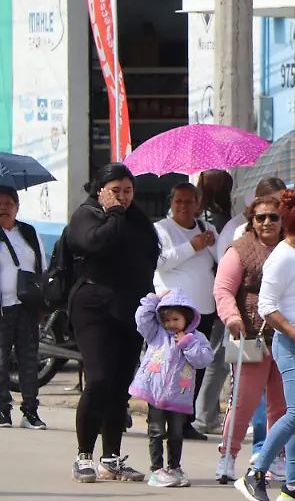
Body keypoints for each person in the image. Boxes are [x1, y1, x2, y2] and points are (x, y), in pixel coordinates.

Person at [234, 190, 295, 501]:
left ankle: (293, 485)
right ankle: (255, 472)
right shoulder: (282, 256)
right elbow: (267, 306)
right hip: (294, 345)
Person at [68, 163, 161, 483]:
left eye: (128, 191)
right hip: (93, 307)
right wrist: (114, 214)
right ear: (100, 190)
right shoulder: (87, 215)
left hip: (130, 309)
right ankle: (83, 456)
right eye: (115, 191)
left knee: (120, 384)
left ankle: (111, 458)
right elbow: (95, 244)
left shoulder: (137, 219)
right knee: (98, 379)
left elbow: (149, 257)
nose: (123, 197)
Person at [213, 195, 289, 483]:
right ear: (252, 221)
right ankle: (228, 457)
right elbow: (223, 290)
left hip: (286, 338)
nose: (267, 222)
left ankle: (275, 459)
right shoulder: (240, 250)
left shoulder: (292, 247)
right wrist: (232, 319)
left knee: (281, 406)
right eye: (261, 218)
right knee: (243, 401)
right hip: (249, 338)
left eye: (273, 217)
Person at [152, 181, 220, 441]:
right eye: (178, 201)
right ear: (171, 202)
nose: (183, 206)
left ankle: (186, 420)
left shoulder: (207, 227)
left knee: (196, 366)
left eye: (189, 201)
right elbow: (160, 263)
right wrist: (193, 245)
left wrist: (209, 243)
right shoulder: (161, 229)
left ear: (197, 204)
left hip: (202, 309)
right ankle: (160, 417)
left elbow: (220, 259)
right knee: (169, 366)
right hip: (173, 311)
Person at [129, 289, 215, 488]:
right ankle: (157, 469)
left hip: (180, 396)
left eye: (175, 319)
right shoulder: (156, 334)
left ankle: (174, 467)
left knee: (176, 433)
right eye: (167, 320)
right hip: (155, 393)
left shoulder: (197, 337)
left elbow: (204, 360)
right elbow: (141, 318)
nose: (170, 324)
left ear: (187, 317)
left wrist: (188, 344)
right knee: (156, 431)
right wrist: (153, 299)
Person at [0, 185, 48, 429]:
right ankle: (2, 410)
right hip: (2, 308)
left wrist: (42, 303)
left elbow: (41, 266)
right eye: (0, 203)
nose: (3, 207)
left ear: (17, 207)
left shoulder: (28, 232)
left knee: (29, 361)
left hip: (27, 306)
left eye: (9, 203)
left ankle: (30, 411)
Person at [196, 169, 236, 436]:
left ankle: (201, 411)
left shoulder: (202, 218)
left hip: (203, 294)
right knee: (217, 355)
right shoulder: (219, 221)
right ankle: (205, 413)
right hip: (219, 294)